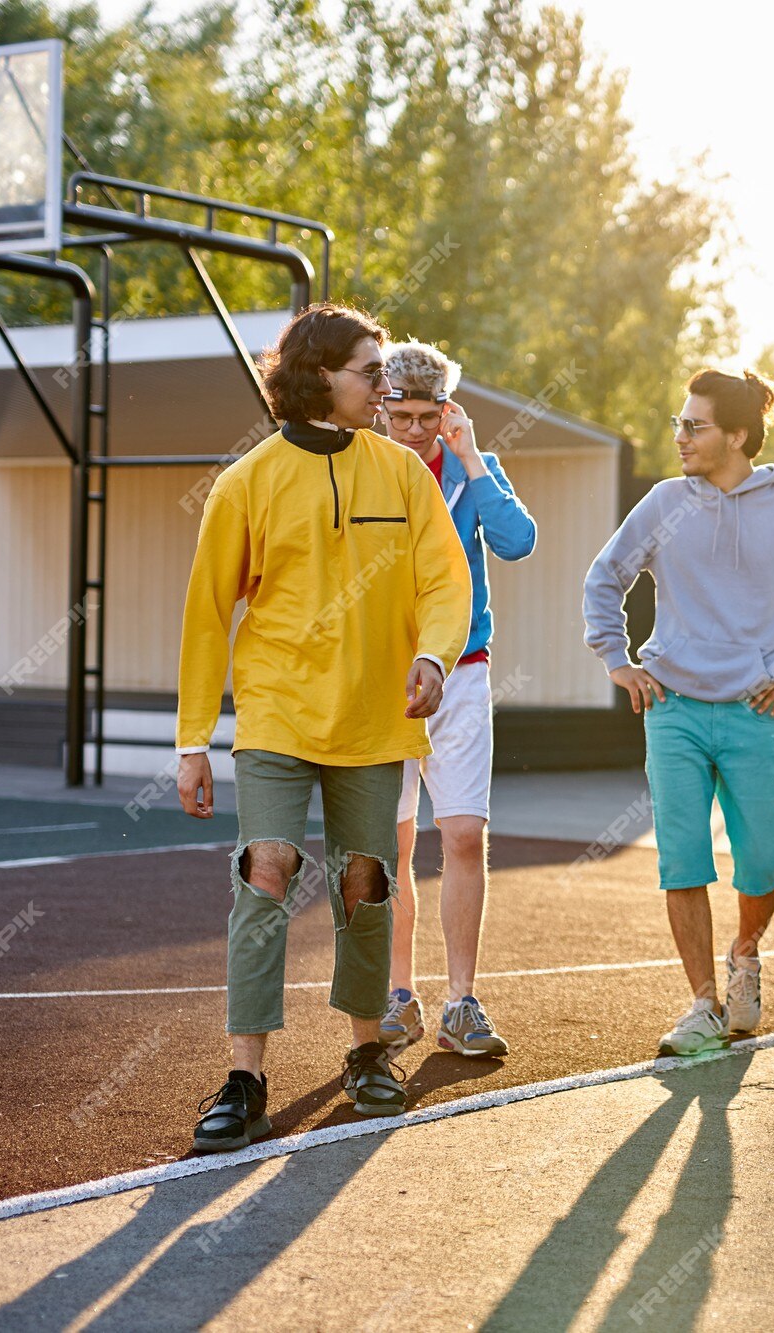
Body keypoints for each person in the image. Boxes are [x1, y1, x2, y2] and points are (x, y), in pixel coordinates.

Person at [176, 303, 471, 1152]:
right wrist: (193, 738)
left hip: (378, 721)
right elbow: (206, 614)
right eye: (371, 373)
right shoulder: (246, 482)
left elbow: (444, 584)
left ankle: (366, 1052)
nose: (386, 386)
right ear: (319, 378)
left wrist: (436, 657)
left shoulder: (405, 474)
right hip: (275, 713)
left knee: (366, 882)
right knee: (264, 870)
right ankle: (246, 1076)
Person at [582, 368, 774, 1057]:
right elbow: (605, 577)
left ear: (737, 435)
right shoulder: (662, 502)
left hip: (752, 709)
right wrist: (616, 659)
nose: (679, 436)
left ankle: (747, 953)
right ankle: (703, 1003)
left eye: (694, 424)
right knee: (681, 858)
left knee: (763, 860)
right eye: (679, 423)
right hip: (672, 706)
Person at [372, 341, 538, 1060]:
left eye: (427, 415)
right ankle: (396, 996)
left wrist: (472, 458)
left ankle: (461, 1001)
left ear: (448, 411)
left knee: (464, 835)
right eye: (400, 414)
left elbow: (518, 541)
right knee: (393, 845)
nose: (413, 428)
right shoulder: (364, 472)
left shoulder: (473, 469)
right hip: (383, 678)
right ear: (378, 409)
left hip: (463, 672)